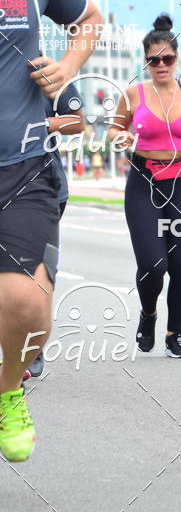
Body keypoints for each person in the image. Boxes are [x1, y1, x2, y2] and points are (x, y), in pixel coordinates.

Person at [0, 0, 103, 460]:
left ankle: (9, 390)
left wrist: (68, 66)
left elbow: (87, 18)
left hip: (23, 164)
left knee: (26, 307)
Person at [107, 14, 181, 359]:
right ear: (145, 61)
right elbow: (112, 131)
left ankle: (175, 335)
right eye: (153, 60)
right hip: (143, 181)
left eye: (167, 59)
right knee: (153, 264)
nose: (161, 65)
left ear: (177, 59)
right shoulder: (133, 94)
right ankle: (148, 314)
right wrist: (122, 137)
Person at [27, 85, 85, 378]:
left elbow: (78, 121)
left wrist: (44, 124)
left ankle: (31, 347)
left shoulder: (46, 70)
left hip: (44, 187)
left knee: (39, 269)